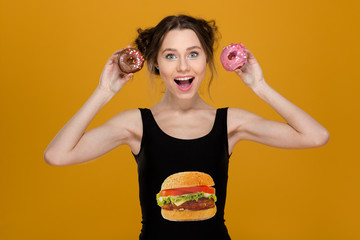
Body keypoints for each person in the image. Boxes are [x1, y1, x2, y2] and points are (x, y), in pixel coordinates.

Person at [44, 15, 329, 240]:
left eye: (193, 54)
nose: (183, 66)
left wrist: (260, 86)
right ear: (155, 63)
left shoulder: (230, 122)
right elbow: (57, 155)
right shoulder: (135, 124)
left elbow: (316, 136)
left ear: (206, 58)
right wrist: (104, 92)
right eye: (170, 56)